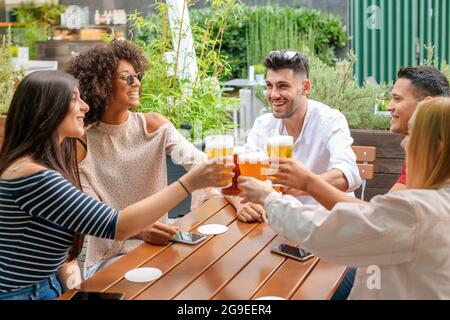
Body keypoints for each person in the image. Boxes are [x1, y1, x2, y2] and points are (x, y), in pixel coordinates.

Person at [0, 70, 232, 300]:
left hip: (48, 284)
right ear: (46, 110)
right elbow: (117, 225)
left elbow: (60, 252)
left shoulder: (39, 166)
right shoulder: (35, 176)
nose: (85, 106)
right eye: (74, 99)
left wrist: (75, 288)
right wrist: (189, 183)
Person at [238, 97, 450, 299]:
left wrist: (269, 198)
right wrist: (307, 183)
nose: (404, 144)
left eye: (411, 134)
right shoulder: (435, 202)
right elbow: (373, 219)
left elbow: (326, 231)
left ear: (438, 147)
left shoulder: (419, 213)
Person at [66, 40, 217, 279]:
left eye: (137, 76)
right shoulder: (82, 143)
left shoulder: (153, 127)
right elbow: (94, 216)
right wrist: (139, 231)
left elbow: (198, 163)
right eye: (126, 78)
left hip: (160, 248)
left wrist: (230, 199)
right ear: (101, 85)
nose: (136, 83)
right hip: (111, 259)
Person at [233, 49, 361, 223]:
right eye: (269, 86)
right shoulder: (263, 124)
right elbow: (240, 178)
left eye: (283, 86)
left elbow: (348, 175)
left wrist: (300, 184)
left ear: (305, 87)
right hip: (279, 224)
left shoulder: (330, 120)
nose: (273, 95)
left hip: (327, 224)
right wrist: (240, 203)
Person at [387, 66, 449, 192]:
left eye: (397, 99)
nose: (389, 107)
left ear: (425, 104)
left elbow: (386, 209)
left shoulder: (428, 149)